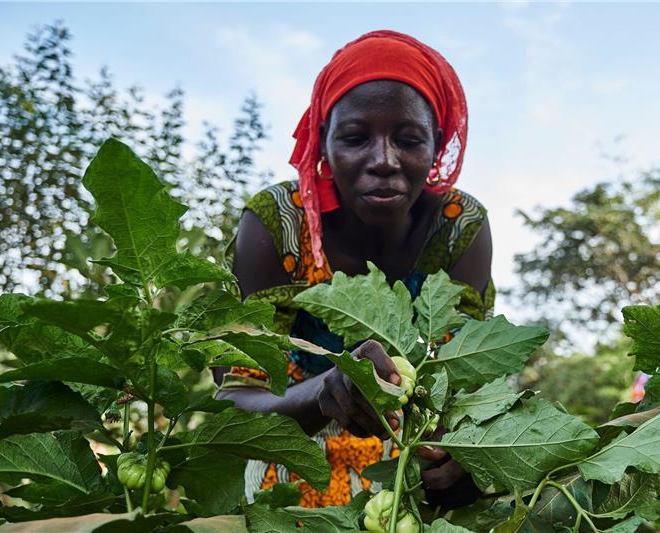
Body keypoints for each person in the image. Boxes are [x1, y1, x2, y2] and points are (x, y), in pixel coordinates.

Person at [212, 30, 494, 509]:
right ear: (323, 142)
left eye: (408, 139)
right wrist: (326, 389)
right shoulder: (279, 224)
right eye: (355, 137)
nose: (384, 160)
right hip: (293, 465)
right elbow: (235, 402)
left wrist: (470, 457)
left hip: (409, 472)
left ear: (437, 144)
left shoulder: (458, 227)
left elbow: (468, 379)